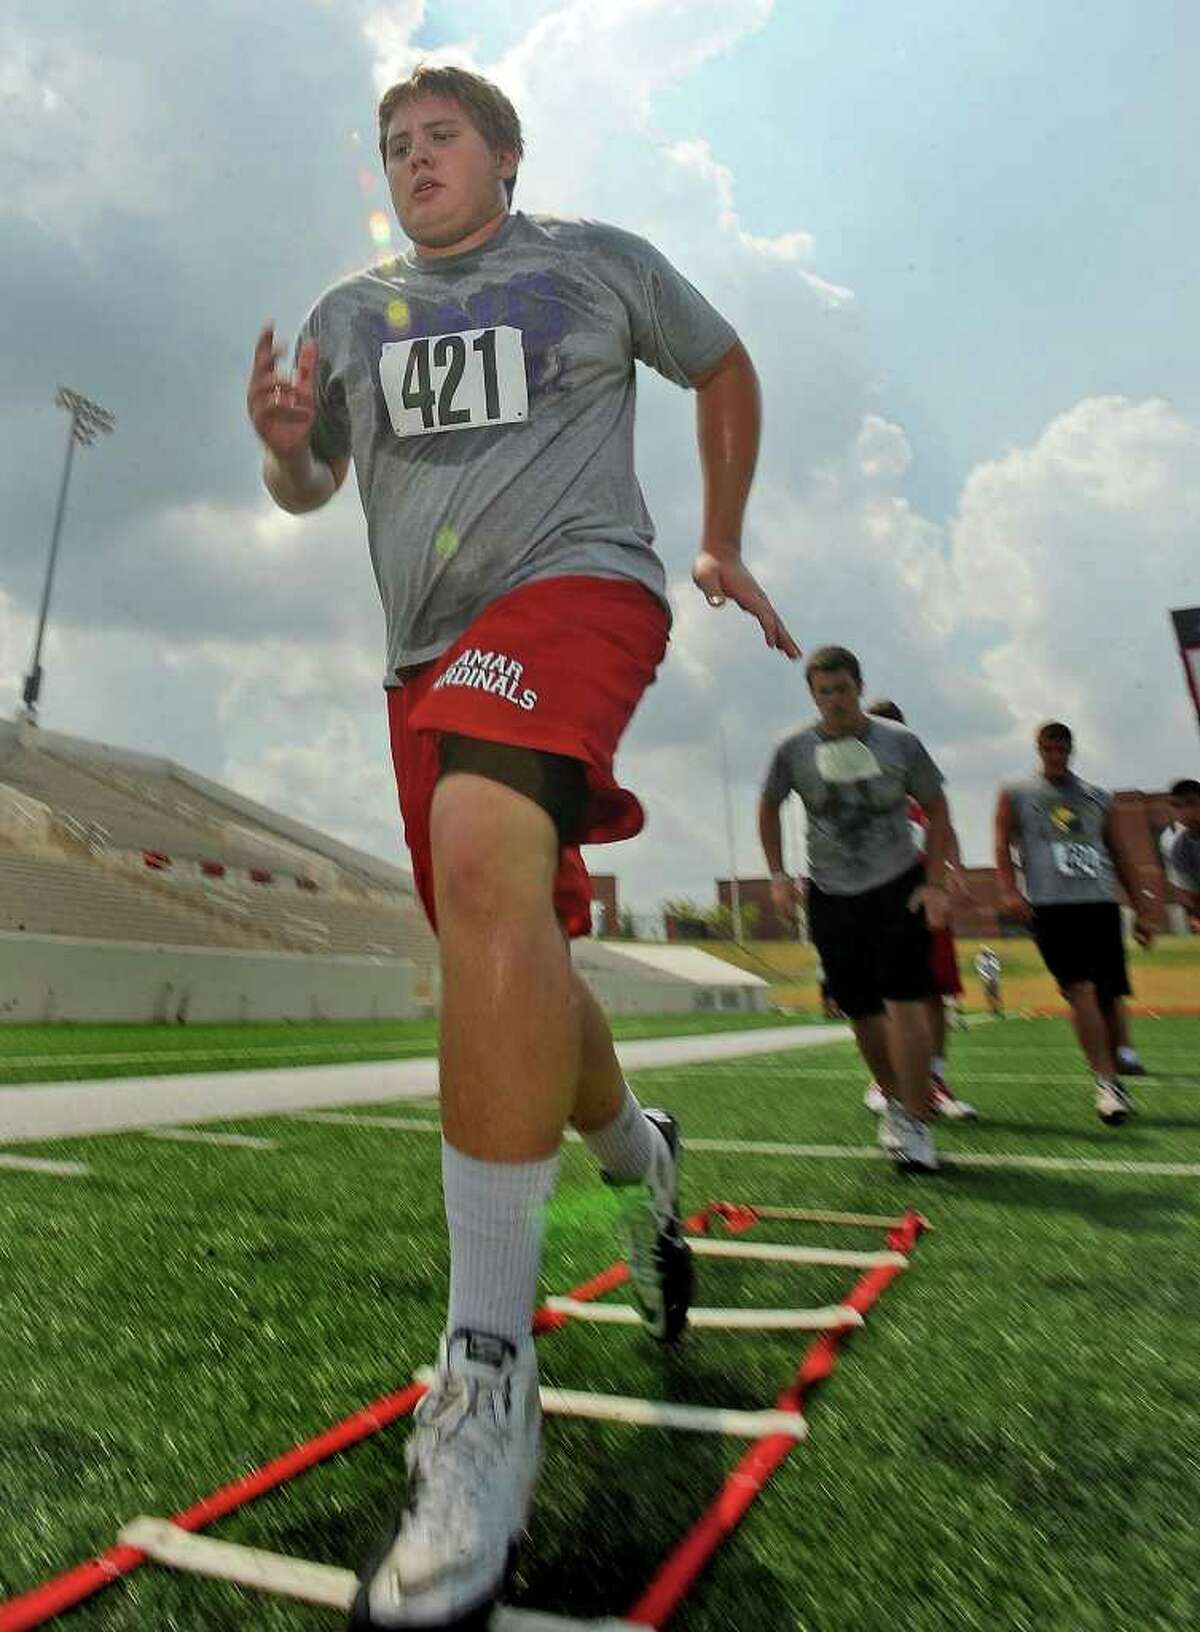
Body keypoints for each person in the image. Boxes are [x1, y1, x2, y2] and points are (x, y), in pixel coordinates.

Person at [246, 65, 798, 1631]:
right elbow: (308, 490)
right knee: (516, 951)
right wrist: (287, 446)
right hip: (427, 662)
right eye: (394, 146)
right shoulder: (353, 315)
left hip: (581, 590)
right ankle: (641, 1153)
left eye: (441, 139)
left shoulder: (596, 261)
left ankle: (484, 1382)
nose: (415, 160)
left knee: (489, 864)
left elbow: (725, 360)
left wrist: (720, 532)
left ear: (505, 156)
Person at [759, 647, 959, 1174]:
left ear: (859, 687)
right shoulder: (793, 748)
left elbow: (937, 808)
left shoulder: (900, 743)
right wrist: (778, 875)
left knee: (907, 1003)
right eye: (824, 692)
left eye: (843, 689)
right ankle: (894, 1102)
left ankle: (917, 1123)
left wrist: (936, 882)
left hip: (896, 884)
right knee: (863, 1011)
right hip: (831, 892)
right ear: (813, 695)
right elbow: (767, 805)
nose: (835, 701)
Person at [994, 722, 1153, 1125]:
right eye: (1049, 748)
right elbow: (1000, 843)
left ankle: (1114, 1073)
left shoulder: (1098, 797)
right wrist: (1010, 890)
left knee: (1107, 996)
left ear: (1071, 750)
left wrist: (1142, 911)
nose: (1056, 755)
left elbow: (1120, 853)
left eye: (1062, 749)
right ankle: (1104, 1083)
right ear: (1039, 749)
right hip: (1051, 906)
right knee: (1078, 989)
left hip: (1099, 903)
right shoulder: (1016, 794)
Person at [861, 698, 977, 1120]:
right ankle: (886, 1079)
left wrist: (955, 871)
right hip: (877, 899)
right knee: (886, 995)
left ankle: (935, 1080)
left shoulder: (917, 776)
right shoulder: (856, 778)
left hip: (922, 896)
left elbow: (942, 822)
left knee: (933, 991)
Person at [1160, 778, 1200, 928]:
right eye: (1177, 806)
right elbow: (1191, 894)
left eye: (1192, 803)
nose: (1186, 812)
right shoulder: (1180, 848)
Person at [974, 945, 1004, 1017]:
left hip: (992, 979)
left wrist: (986, 977)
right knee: (991, 994)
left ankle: (996, 1009)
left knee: (992, 994)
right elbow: (997, 968)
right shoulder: (991, 958)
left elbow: (981, 969)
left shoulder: (990, 959)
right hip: (992, 979)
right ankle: (995, 1009)